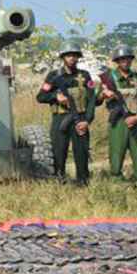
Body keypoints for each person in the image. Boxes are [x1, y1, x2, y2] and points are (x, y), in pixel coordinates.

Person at [35, 45, 96, 185]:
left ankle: (82, 181)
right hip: (60, 118)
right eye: (69, 55)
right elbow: (40, 97)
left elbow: (92, 99)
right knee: (59, 151)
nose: (72, 58)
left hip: (80, 118)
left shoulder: (85, 76)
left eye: (75, 55)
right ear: (63, 57)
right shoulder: (53, 76)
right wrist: (56, 97)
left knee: (81, 152)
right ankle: (59, 180)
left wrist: (87, 120)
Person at [99, 45, 137, 183]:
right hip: (118, 122)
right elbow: (97, 100)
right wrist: (104, 94)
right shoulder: (109, 77)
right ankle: (116, 180)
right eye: (122, 59)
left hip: (136, 120)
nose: (125, 61)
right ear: (117, 61)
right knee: (117, 152)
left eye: (128, 59)